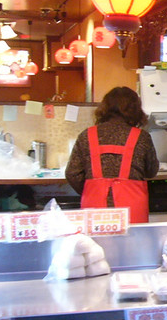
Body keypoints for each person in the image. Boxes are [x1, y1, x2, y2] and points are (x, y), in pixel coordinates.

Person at [65, 86, 159, 223]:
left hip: (94, 207)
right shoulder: (142, 137)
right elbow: (151, 171)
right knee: (133, 243)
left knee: (95, 244)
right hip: (132, 208)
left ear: (104, 108)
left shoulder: (86, 136)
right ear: (136, 110)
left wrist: (93, 188)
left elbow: (72, 173)